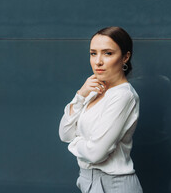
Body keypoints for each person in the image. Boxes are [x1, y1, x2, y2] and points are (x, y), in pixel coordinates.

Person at [59, 26, 143, 193]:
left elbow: (95, 154)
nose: (98, 61)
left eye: (108, 53)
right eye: (93, 53)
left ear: (125, 57)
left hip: (113, 185)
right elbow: (64, 133)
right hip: (87, 180)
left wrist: (75, 141)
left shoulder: (123, 96)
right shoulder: (94, 91)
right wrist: (81, 94)